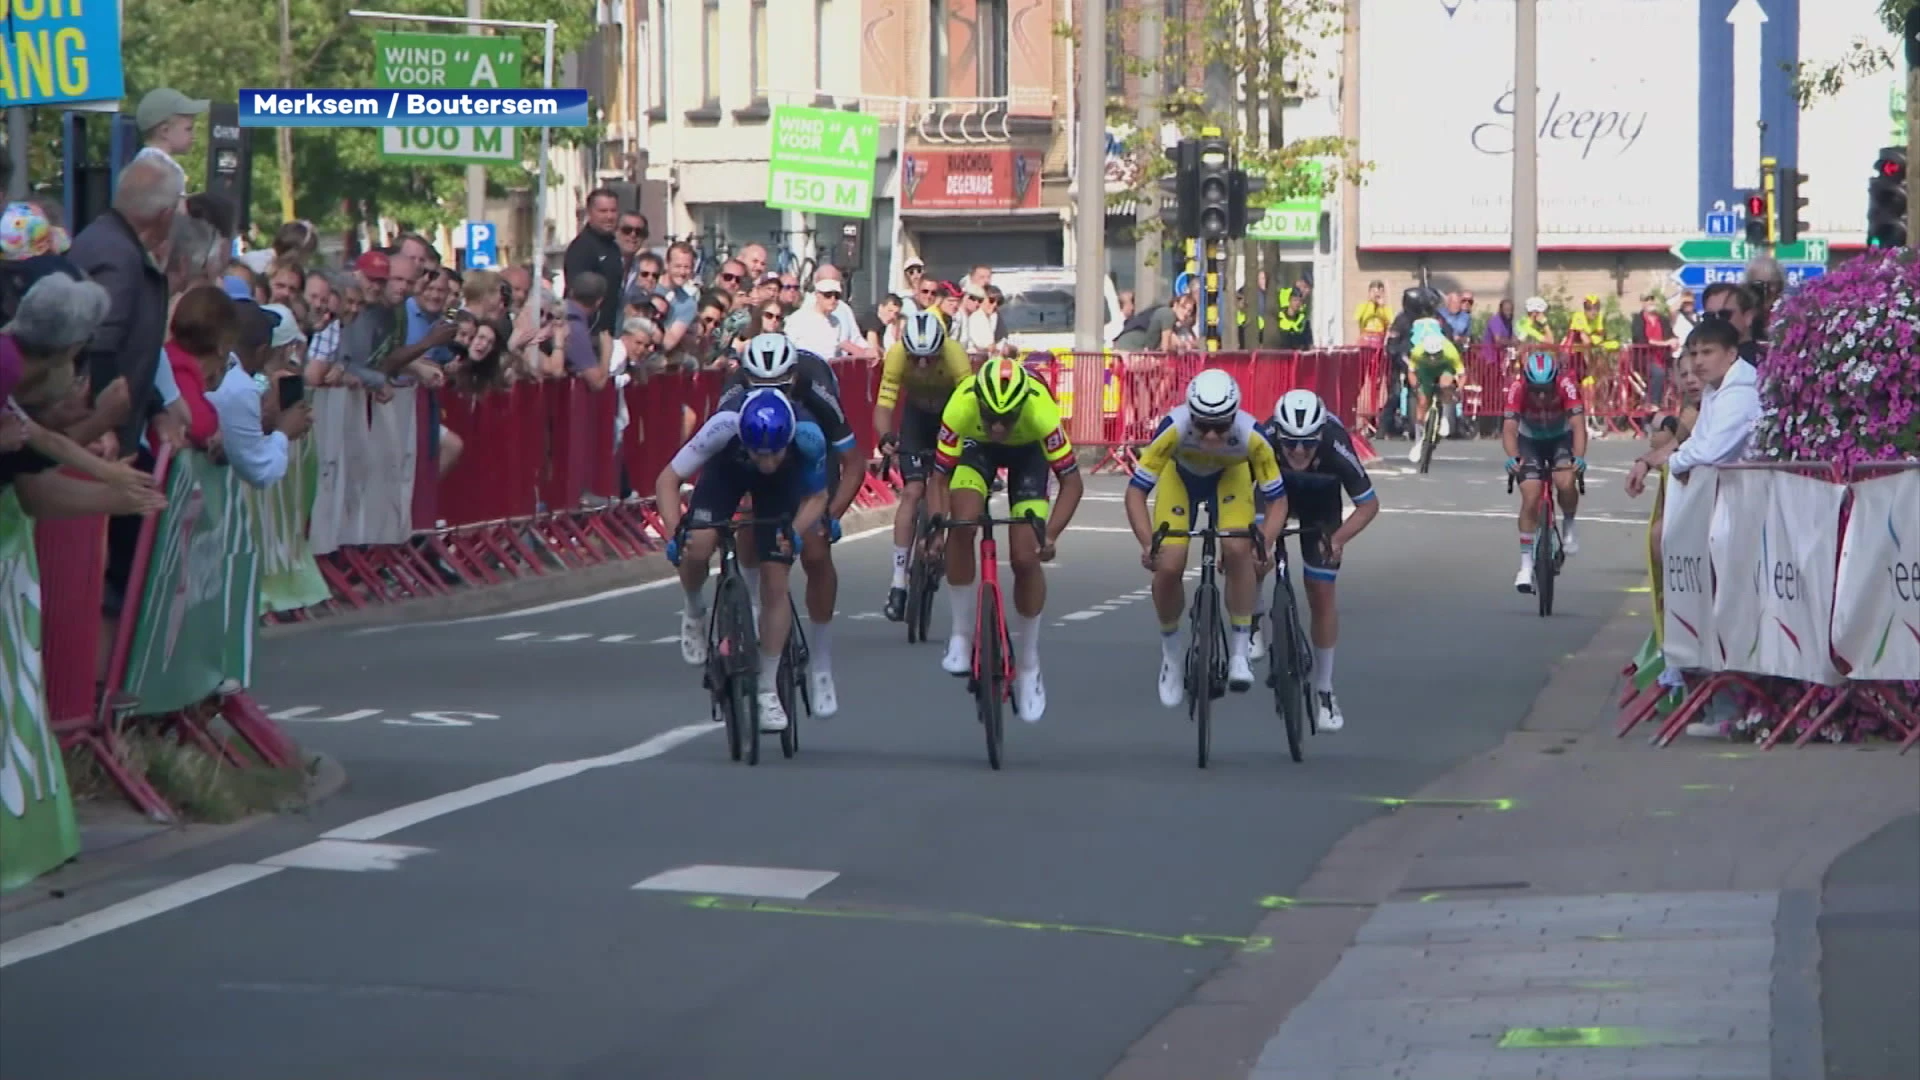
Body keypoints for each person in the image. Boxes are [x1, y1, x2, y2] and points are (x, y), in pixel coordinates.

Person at [656, 388, 830, 734]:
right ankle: (693, 610)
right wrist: (675, 532)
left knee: (775, 581)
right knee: (698, 545)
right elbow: (668, 480)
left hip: (782, 489)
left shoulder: (808, 435)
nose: (766, 462)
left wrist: (795, 531)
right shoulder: (723, 426)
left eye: (774, 454)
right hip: (727, 475)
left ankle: (767, 687)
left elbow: (817, 497)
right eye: (758, 453)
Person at [926, 357, 1085, 723]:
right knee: (962, 523)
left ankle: (1029, 666)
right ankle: (962, 636)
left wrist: (1052, 534)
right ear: (978, 401)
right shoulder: (962, 403)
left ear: (1020, 407)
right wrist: (938, 523)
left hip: (1029, 454)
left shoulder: (1040, 411)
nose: (998, 426)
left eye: (1006, 418)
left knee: (1025, 558)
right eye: (991, 416)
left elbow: (1072, 483)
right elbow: (938, 477)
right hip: (975, 448)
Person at [713, 334, 864, 716]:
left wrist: (830, 516)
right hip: (759, 450)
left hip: (808, 451)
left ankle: (823, 662)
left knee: (814, 550)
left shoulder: (815, 384)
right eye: (758, 385)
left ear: (793, 377)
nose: (768, 392)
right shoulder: (733, 389)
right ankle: (746, 611)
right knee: (749, 520)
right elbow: (717, 454)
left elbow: (853, 465)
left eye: (778, 385)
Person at [1124, 369, 1289, 707]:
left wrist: (1266, 542)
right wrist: (1147, 543)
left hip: (1230, 479)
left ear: (1235, 417)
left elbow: (1278, 500)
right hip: (1179, 480)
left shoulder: (1252, 437)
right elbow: (1135, 493)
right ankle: (1171, 653)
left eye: (1221, 426)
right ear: (1190, 416)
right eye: (1202, 425)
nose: (1211, 436)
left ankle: (1240, 653)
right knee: (1169, 565)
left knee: (1237, 546)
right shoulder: (1172, 429)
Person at [1254, 389, 1379, 732]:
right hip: (1272, 495)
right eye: (1290, 443)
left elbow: (1369, 504)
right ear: (1277, 433)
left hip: (1321, 506)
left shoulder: (1337, 445)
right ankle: (1253, 618)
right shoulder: (1262, 440)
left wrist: (1338, 540)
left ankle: (1324, 690)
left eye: (1307, 443)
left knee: (1321, 591)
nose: (1297, 451)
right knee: (1253, 553)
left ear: (1320, 436)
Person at [875, 310, 974, 622]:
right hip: (916, 419)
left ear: (940, 350)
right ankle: (898, 582)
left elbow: (970, 404)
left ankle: (937, 539)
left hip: (951, 416)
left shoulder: (955, 355)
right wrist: (886, 436)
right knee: (911, 491)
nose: (921, 364)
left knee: (941, 482)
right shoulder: (896, 356)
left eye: (928, 358)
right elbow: (884, 404)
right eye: (915, 357)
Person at [1502, 349, 1588, 593]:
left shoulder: (1567, 386)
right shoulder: (1517, 389)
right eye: (1535, 390)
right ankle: (1526, 566)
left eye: (1546, 389)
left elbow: (1578, 426)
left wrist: (1579, 457)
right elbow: (1509, 429)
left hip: (1560, 437)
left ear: (1555, 382)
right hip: (1529, 439)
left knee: (1565, 481)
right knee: (1530, 495)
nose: (1540, 395)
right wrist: (1512, 457)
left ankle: (1569, 522)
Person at [1405, 316, 1463, 462]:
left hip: (1444, 368)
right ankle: (1418, 440)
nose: (1432, 358)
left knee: (1445, 384)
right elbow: (1411, 372)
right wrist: (1417, 387)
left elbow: (1462, 374)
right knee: (1422, 401)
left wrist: (1457, 390)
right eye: (1429, 355)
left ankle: (1444, 415)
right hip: (1425, 372)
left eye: (1436, 355)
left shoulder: (1450, 350)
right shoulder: (1417, 351)